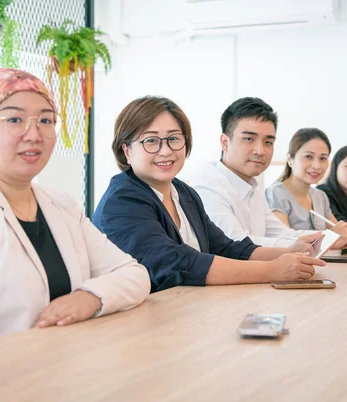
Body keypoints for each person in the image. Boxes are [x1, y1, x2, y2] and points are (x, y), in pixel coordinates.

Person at [0, 68, 150, 359]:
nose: (34, 134)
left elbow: (134, 274)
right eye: (14, 120)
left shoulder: (61, 206)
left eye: (46, 120)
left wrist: (89, 297)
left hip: (67, 374)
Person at [92, 96, 325, 293]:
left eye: (174, 139)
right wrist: (272, 270)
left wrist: (289, 253)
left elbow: (225, 247)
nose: (165, 151)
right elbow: (175, 263)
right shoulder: (122, 202)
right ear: (126, 150)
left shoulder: (183, 192)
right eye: (151, 141)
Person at [193, 97, 347, 249]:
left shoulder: (253, 187)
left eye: (268, 142)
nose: (260, 151)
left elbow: (280, 234)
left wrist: (328, 237)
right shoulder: (209, 186)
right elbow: (235, 243)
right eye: (249, 139)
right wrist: (313, 242)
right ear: (225, 142)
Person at [266, 128, 347, 249]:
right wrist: (334, 236)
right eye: (308, 157)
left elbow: (339, 236)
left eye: (323, 158)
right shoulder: (275, 193)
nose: (317, 166)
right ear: (290, 159)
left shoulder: (320, 196)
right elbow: (283, 240)